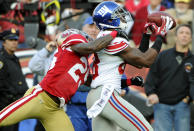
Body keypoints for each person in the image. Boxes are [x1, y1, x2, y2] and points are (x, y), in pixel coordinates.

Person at [0, 27, 129, 131]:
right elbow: (92, 47)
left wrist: (129, 82)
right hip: (40, 97)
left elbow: (99, 82)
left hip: (55, 109)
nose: (88, 41)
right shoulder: (70, 46)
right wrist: (114, 32)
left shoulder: (83, 65)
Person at [86, 1, 174, 131]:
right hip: (106, 95)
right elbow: (145, 61)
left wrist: (146, 35)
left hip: (96, 95)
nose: (122, 17)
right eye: (118, 15)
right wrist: (161, 35)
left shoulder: (106, 37)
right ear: (109, 20)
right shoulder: (114, 39)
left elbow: (138, 59)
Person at [144, 24, 194, 131]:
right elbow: (152, 75)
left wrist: (189, 98)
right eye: (181, 33)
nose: (184, 35)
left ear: (191, 38)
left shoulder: (192, 60)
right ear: (176, 37)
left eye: (187, 33)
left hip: (182, 106)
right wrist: (151, 93)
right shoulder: (163, 55)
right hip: (161, 104)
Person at [0, 28, 28, 131]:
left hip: (15, 105)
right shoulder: (1, 59)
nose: (14, 43)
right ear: (4, 43)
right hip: (5, 105)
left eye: (15, 40)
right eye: (11, 40)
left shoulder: (14, 58)